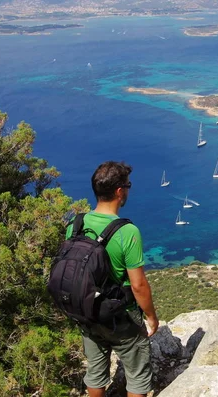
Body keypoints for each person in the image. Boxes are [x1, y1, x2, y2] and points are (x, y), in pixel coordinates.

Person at [66, 161, 159, 397]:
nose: (128, 190)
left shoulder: (76, 224)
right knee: (137, 375)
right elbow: (138, 285)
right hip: (122, 315)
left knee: (96, 371)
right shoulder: (127, 232)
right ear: (119, 191)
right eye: (127, 185)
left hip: (88, 311)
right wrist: (151, 317)